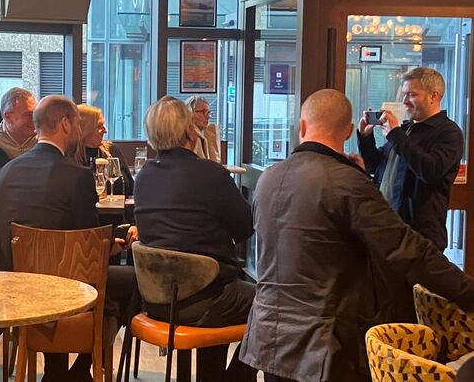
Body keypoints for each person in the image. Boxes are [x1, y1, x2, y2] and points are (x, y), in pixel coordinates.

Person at [240, 89, 474, 382]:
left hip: (267, 335)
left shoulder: (268, 178)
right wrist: (467, 292)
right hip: (324, 345)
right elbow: (408, 250)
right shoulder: (347, 183)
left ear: (301, 126)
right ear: (349, 131)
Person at [0, 95, 133, 382]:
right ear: (66, 124)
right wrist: (111, 243)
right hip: (64, 288)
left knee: (58, 268)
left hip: (18, 287)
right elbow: (87, 243)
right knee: (134, 281)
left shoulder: (7, 171)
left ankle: (56, 370)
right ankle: (82, 367)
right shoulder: (76, 176)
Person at [134, 96, 256, 382]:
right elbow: (246, 228)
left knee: (225, 293)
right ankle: (232, 377)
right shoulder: (212, 175)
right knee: (274, 304)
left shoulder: (143, 178)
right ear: (191, 132)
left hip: (157, 300)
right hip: (210, 299)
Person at [357, 67, 463, 251]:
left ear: (433, 96)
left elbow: (429, 171)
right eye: (404, 95)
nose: (405, 102)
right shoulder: (405, 130)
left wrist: (396, 134)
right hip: (386, 229)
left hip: (420, 236)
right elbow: (374, 166)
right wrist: (365, 138)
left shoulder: (449, 133)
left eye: (412, 95)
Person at [75, 104, 133, 196]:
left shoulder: (112, 150)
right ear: (84, 129)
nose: (105, 130)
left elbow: (131, 187)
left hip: (119, 209)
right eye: (99, 126)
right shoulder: (71, 157)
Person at [0, 87, 37, 158]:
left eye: (36, 113)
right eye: (28, 115)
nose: (35, 118)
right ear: (8, 117)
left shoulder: (44, 138)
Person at [185, 95, 221, 163]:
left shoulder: (203, 134)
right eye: (203, 112)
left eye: (208, 113)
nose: (207, 117)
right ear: (190, 112)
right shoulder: (190, 136)